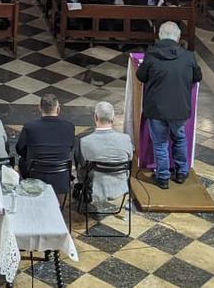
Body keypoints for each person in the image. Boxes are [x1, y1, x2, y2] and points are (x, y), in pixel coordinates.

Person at [136, 22, 201, 188]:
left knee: (160, 143)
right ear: (178, 38)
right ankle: (181, 172)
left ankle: (163, 177)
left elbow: (141, 76)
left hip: (156, 109)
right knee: (179, 138)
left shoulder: (151, 55)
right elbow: (197, 77)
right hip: (179, 109)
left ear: (159, 36)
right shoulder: (188, 56)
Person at [76, 101, 135, 206]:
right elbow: (130, 160)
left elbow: (82, 166)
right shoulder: (125, 139)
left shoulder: (85, 142)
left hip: (96, 186)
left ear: (95, 117)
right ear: (113, 118)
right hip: (120, 186)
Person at [15, 93, 77, 191]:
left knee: (22, 161)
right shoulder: (69, 127)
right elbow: (70, 147)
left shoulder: (29, 127)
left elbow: (19, 149)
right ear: (58, 109)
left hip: (35, 174)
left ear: (39, 108)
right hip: (61, 175)